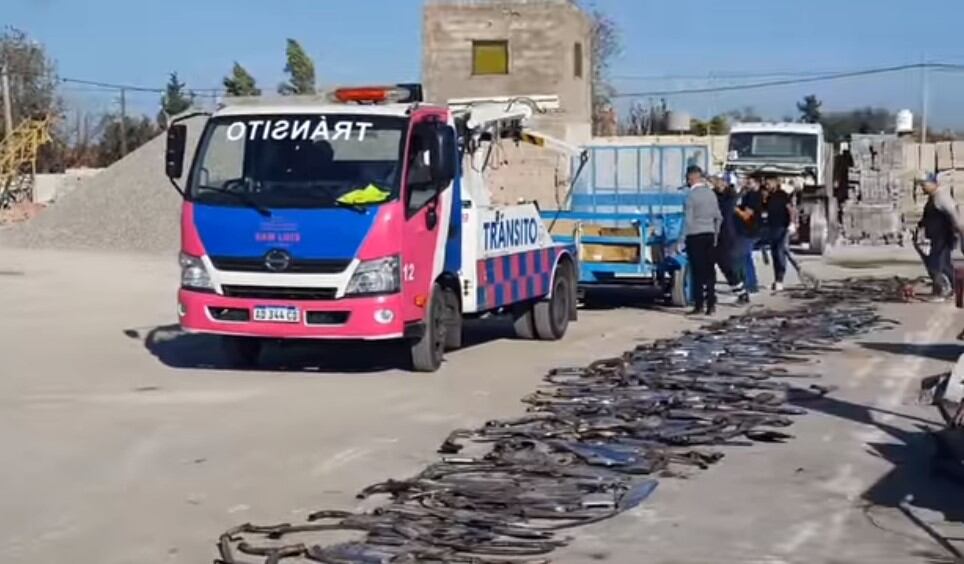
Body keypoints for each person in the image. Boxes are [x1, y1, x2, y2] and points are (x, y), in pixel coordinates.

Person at [683, 165, 722, 315]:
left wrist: (681, 239)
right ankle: (711, 304)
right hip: (709, 235)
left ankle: (699, 305)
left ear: (691, 178)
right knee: (710, 271)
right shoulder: (711, 194)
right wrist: (716, 235)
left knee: (697, 272)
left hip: (695, 236)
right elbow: (718, 217)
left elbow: (688, 221)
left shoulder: (691, 197)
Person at [918, 174, 964, 298]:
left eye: (924, 185)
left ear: (933, 183)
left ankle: (946, 290)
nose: (922, 188)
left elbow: (954, 213)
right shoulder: (933, 197)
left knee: (939, 264)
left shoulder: (942, 197)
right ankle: (951, 289)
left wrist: (960, 230)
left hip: (943, 237)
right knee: (940, 263)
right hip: (936, 237)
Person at [710, 174, 742, 294]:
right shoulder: (712, 193)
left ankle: (740, 291)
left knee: (725, 264)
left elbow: (725, 210)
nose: (716, 183)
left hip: (726, 234)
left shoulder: (731, 195)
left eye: (718, 181)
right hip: (712, 232)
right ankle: (709, 294)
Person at [733, 175, 763, 300]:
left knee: (742, 258)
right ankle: (750, 283)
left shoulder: (754, 196)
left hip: (749, 231)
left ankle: (749, 284)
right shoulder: (746, 195)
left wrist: (733, 209)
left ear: (756, 183)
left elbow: (746, 215)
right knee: (745, 258)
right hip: (744, 231)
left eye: (749, 182)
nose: (746, 184)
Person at [763, 177, 793, 291]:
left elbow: (790, 209)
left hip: (782, 227)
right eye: (766, 184)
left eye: (769, 183)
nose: (767, 185)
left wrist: (792, 223)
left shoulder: (782, 195)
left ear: (775, 183)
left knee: (780, 253)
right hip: (772, 227)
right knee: (774, 254)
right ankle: (776, 280)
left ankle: (780, 280)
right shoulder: (769, 196)